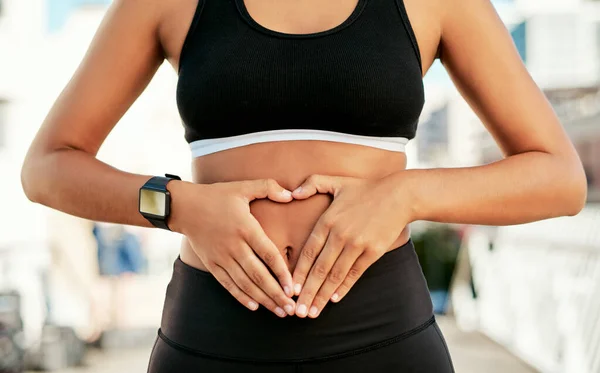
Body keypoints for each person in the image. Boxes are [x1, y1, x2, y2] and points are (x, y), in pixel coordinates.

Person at [20, 0, 587, 371]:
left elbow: (559, 178)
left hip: (383, 338)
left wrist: (406, 194)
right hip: (213, 337)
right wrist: (178, 206)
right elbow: (47, 167)